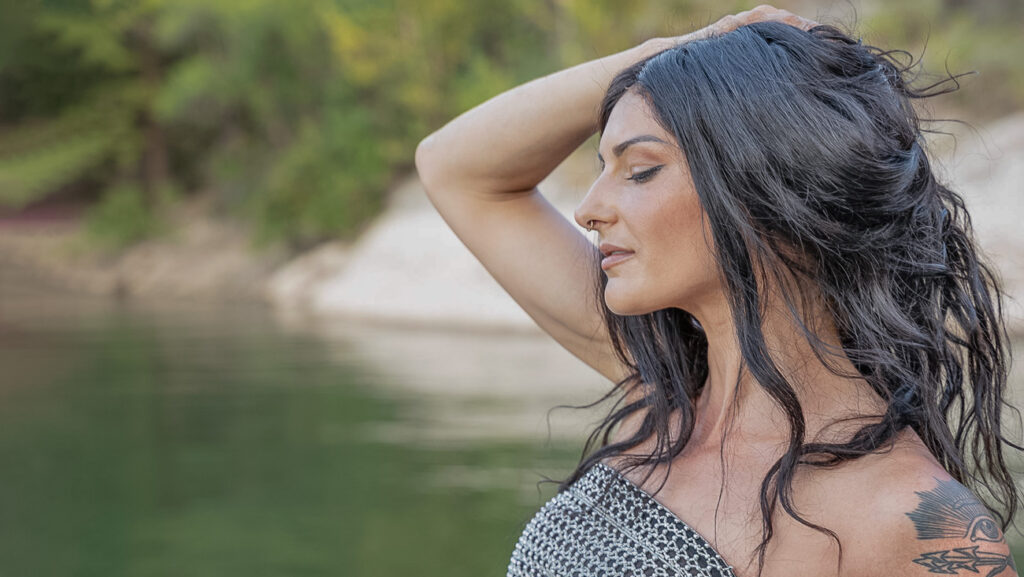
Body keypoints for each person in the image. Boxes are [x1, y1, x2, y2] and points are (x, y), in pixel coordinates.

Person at [414, 5, 1021, 577]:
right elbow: (454, 165)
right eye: (601, 169)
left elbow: (460, 173)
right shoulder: (664, 392)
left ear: (765, 187)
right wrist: (675, 55)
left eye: (640, 169)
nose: (590, 208)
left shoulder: (918, 522)